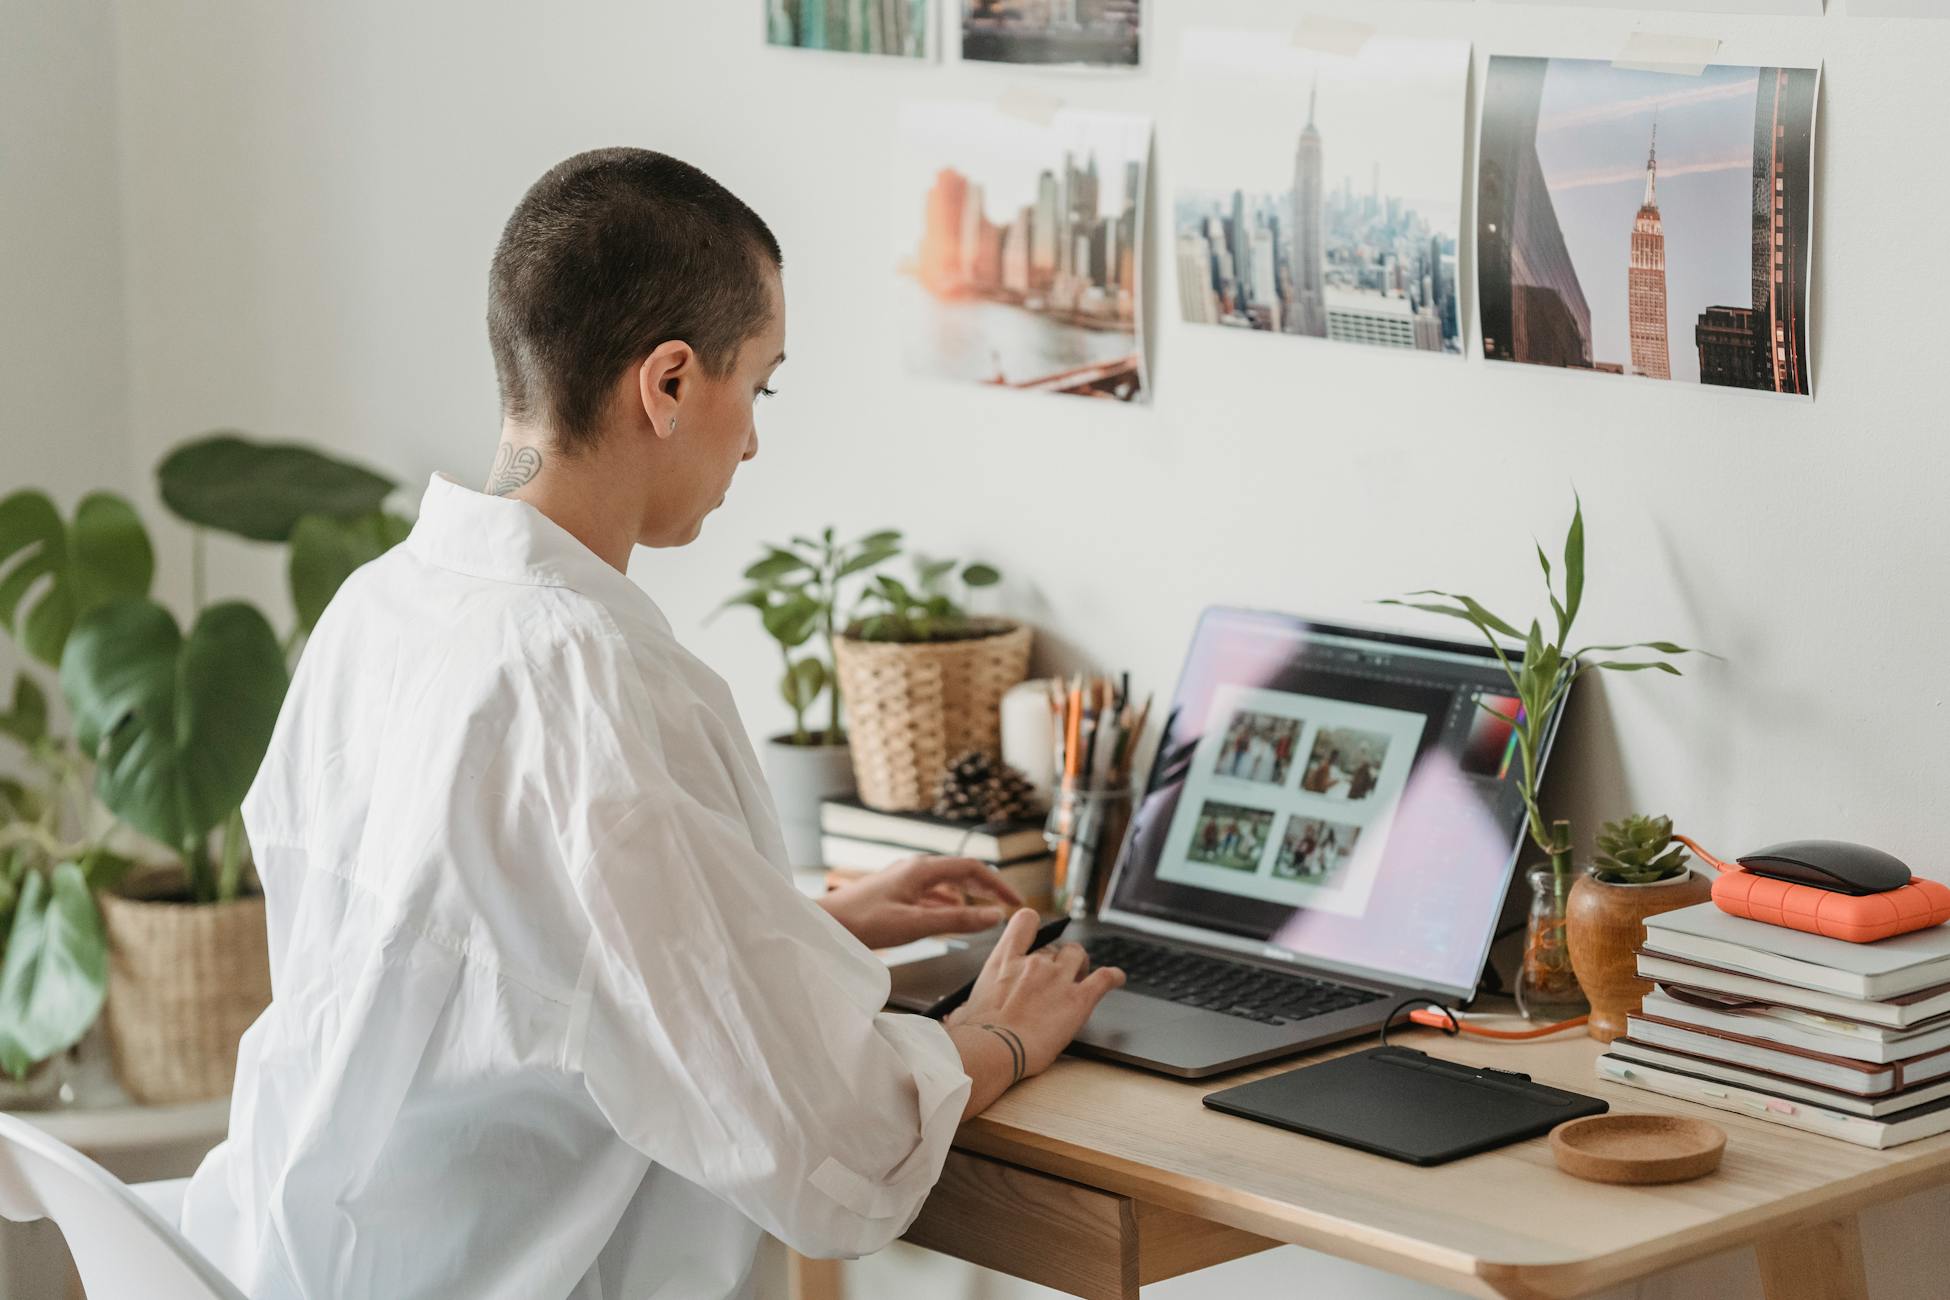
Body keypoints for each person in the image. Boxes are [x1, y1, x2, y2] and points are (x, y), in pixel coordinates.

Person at [179, 148, 1124, 1300]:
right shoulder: (594, 676)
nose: (756, 440)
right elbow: (825, 1141)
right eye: (760, 387)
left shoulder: (382, 607)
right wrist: (1001, 1035)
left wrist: (785, 922)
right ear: (669, 383)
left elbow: (500, 944)